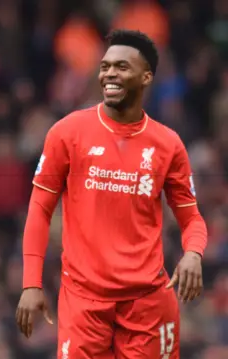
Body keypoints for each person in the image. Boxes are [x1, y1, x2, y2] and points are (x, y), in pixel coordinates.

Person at [16, 29, 207, 358]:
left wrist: (193, 253)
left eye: (121, 67)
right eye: (105, 67)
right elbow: (39, 209)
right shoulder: (67, 133)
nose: (109, 75)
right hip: (84, 302)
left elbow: (192, 219)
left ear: (146, 77)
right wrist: (31, 282)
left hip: (147, 304)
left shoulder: (168, 144)